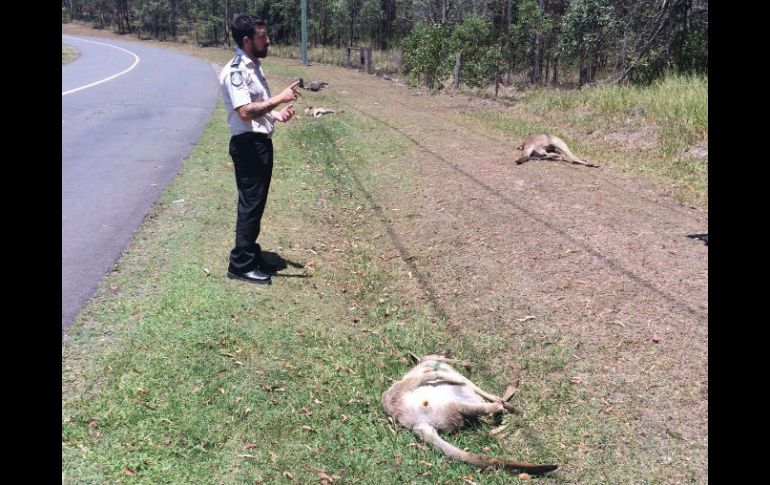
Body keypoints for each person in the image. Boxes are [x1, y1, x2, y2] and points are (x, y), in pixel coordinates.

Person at [219, 14, 301, 284]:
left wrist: (275, 115)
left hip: (259, 143)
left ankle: (251, 253)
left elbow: (258, 107)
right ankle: (240, 265)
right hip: (248, 146)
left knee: (256, 203)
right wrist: (280, 98)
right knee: (250, 204)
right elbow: (244, 112)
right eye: (262, 37)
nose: (268, 40)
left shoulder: (254, 66)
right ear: (247, 40)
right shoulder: (236, 71)